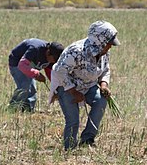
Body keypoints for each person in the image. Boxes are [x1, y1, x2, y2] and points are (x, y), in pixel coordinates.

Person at [49, 21, 121, 150]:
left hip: (88, 84)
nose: (110, 47)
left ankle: (87, 139)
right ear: (100, 42)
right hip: (66, 86)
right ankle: (69, 148)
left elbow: (105, 69)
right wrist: (72, 91)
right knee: (73, 120)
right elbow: (59, 70)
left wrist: (104, 84)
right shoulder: (76, 51)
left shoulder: (103, 52)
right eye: (109, 44)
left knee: (101, 102)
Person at [7, 39, 64, 112]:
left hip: (29, 65)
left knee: (32, 88)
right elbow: (22, 65)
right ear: (48, 52)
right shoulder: (35, 49)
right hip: (17, 63)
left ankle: (28, 110)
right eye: (55, 59)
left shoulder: (52, 57)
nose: (55, 62)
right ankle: (12, 109)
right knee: (24, 86)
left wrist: (55, 87)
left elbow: (49, 71)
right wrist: (36, 74)